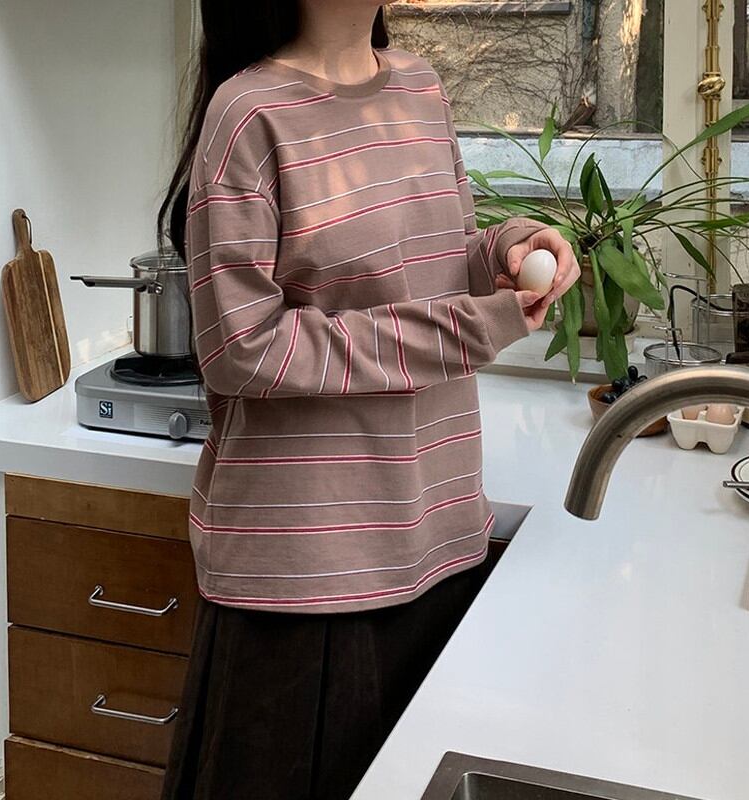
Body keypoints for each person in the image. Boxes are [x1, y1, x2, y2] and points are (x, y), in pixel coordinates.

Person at [156, 2, 580, 798]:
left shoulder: (421, 86)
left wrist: (505, 247)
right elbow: (242, 347)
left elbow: (437, 264)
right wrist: (464, 331)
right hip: (307, 582)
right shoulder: (247, 113)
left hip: (437, 543)